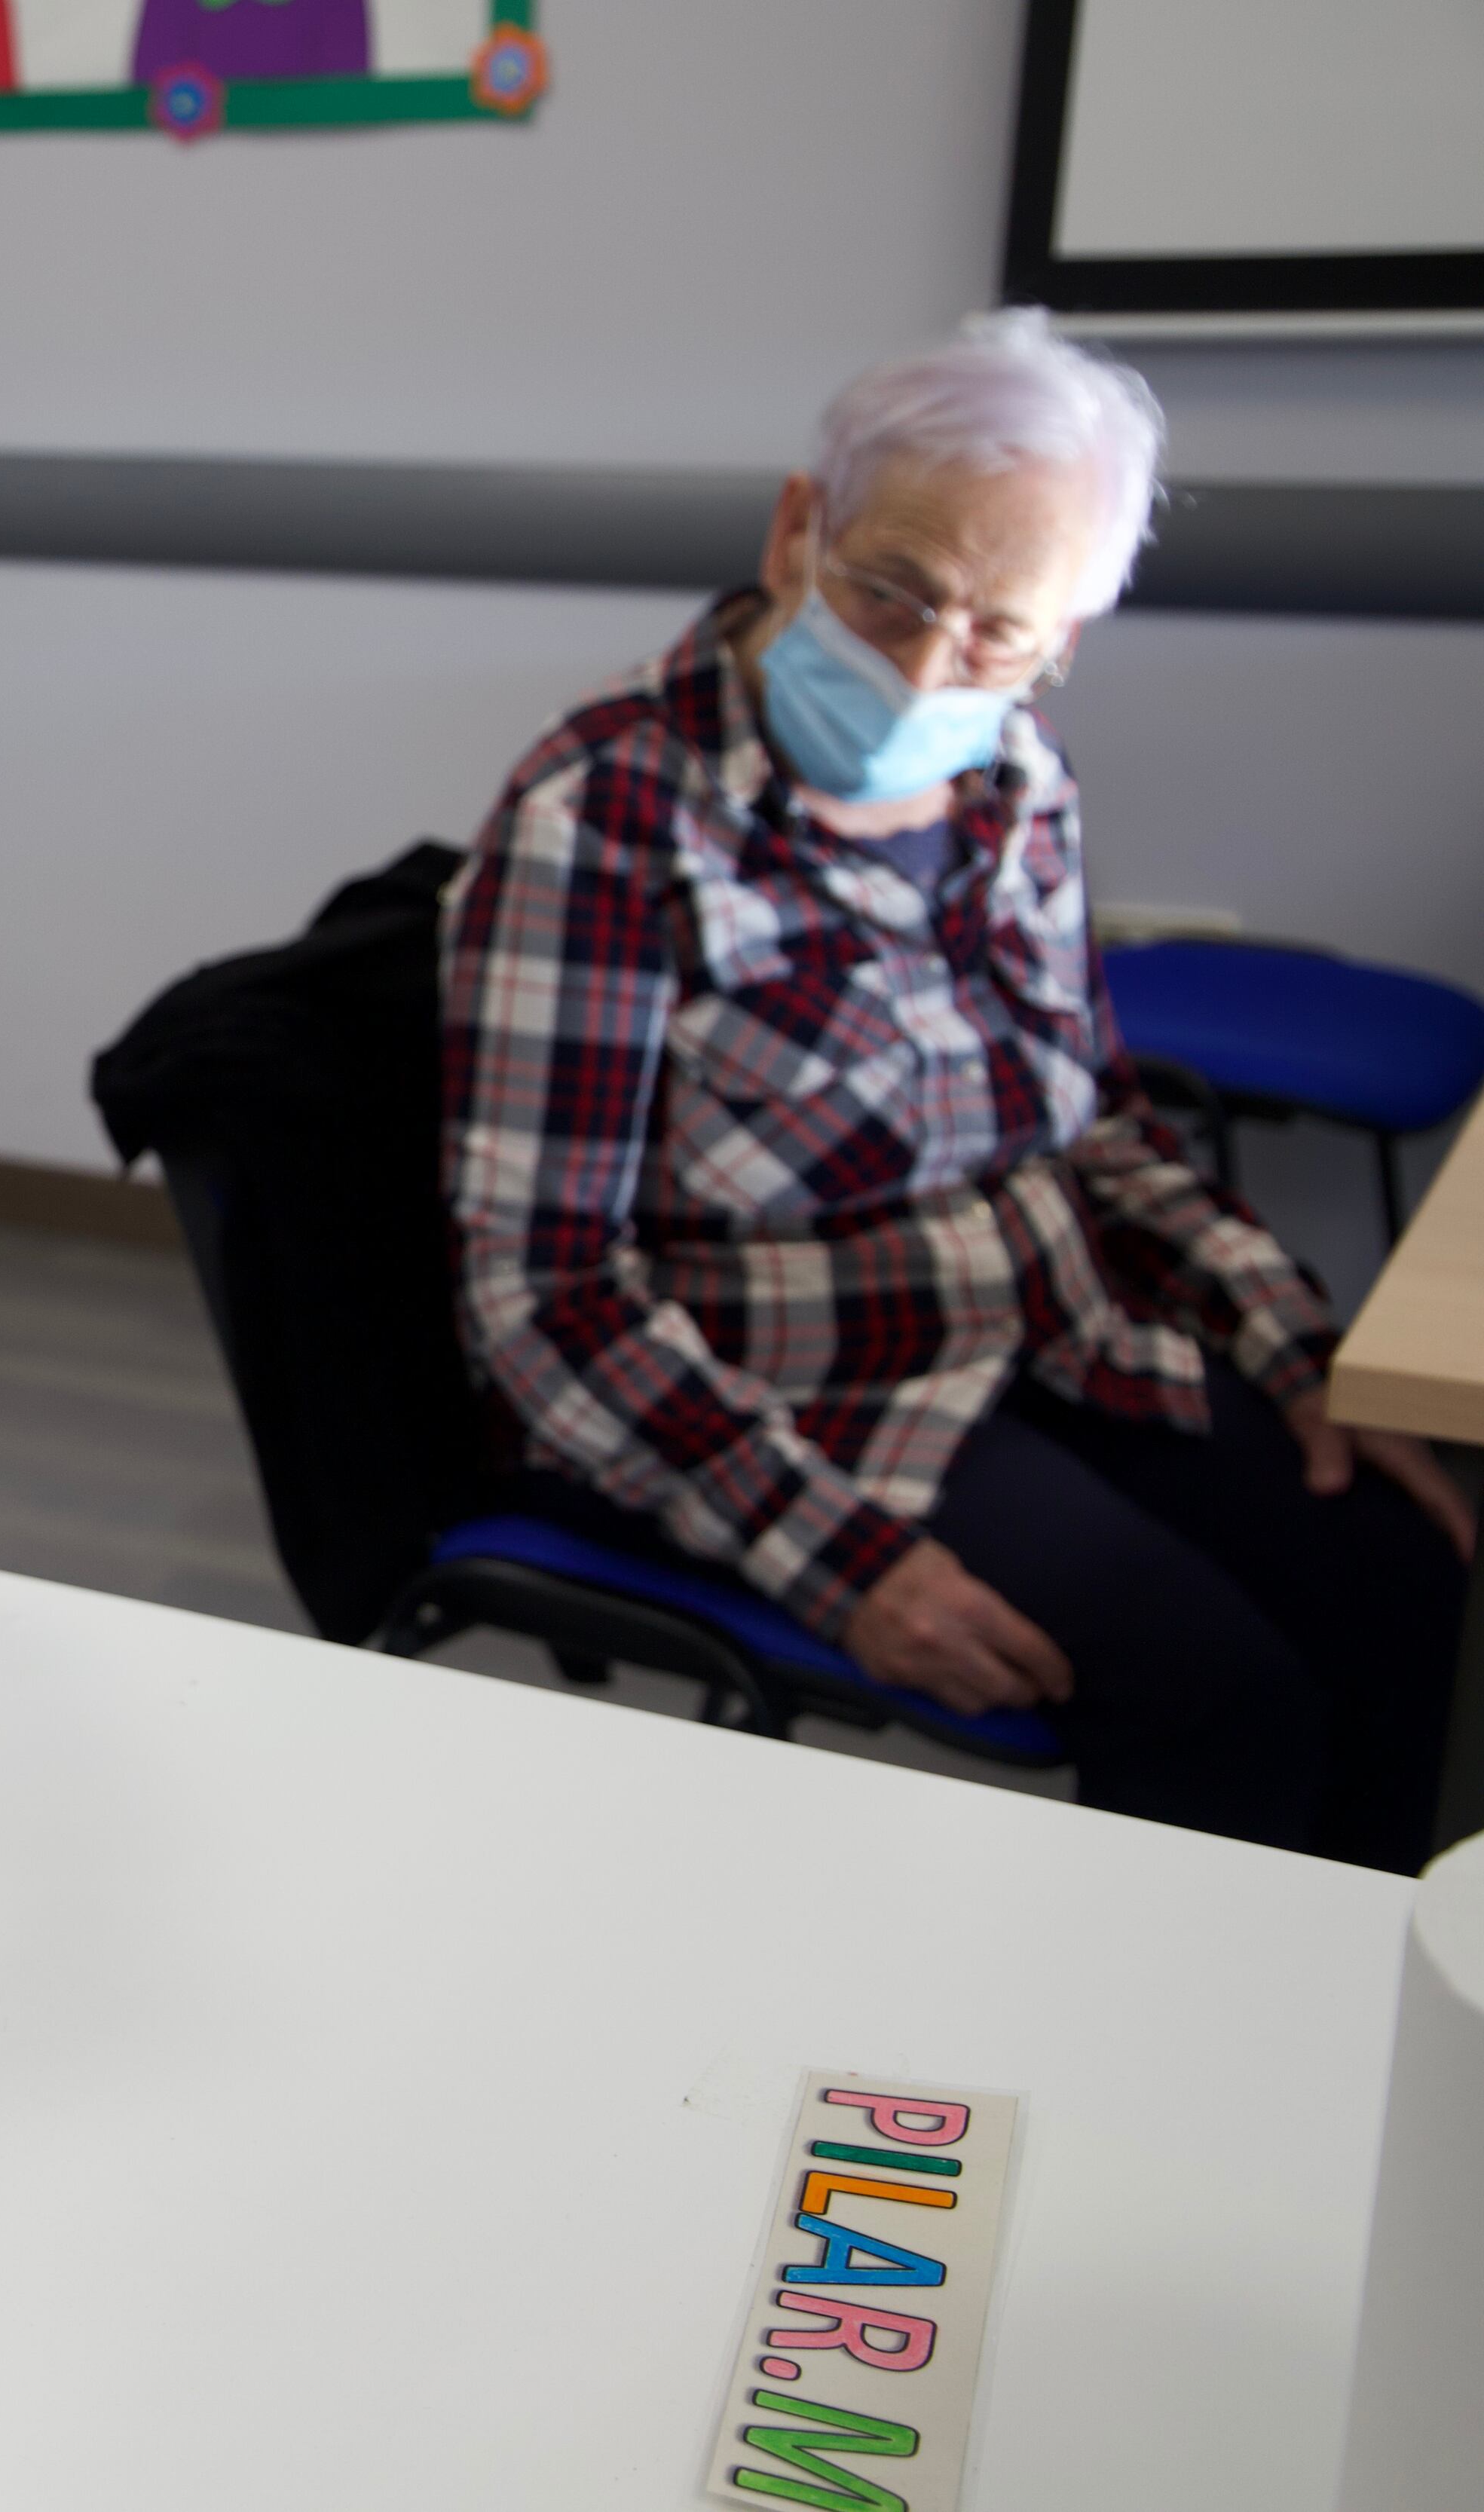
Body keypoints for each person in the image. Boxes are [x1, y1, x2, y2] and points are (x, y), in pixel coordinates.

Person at [440, 308, 1468, 1871]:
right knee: (1218, 1700)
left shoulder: (1016, 779)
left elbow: (1097, 1124)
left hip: (1043, 1321)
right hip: (786, 1386)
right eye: (890, 589)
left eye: (996, 629)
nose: (928, 661)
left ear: (1061, 642)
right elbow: (540, 1292)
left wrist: (1295, 1343)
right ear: (801, 530)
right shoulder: (607, 815)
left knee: (1411, 1584)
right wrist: (841, 1564)